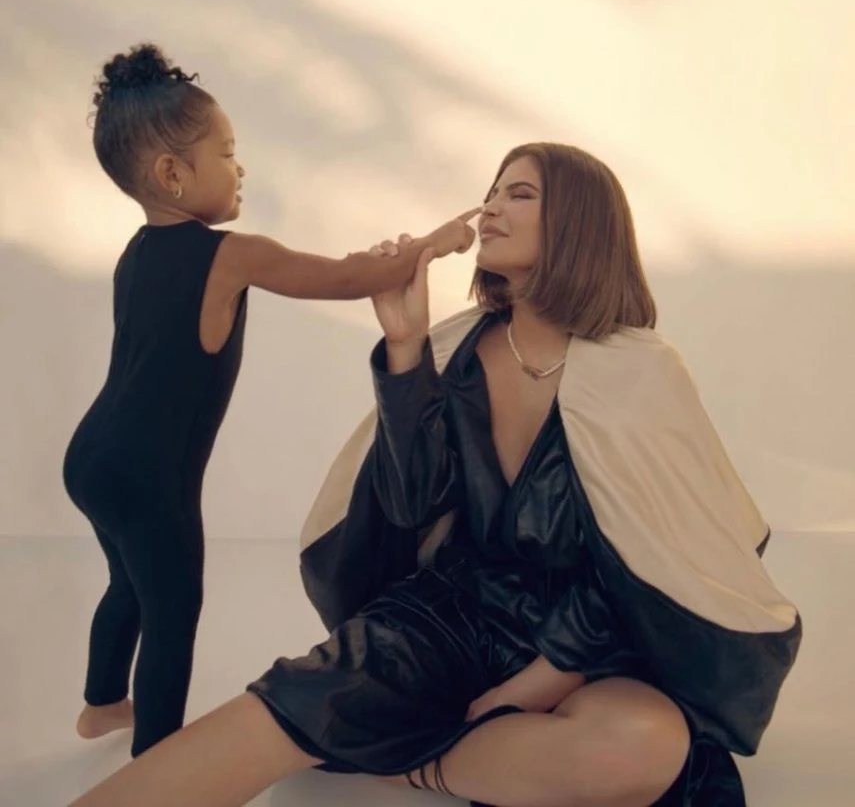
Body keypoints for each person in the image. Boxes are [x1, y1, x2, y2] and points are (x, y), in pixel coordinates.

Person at [69, 143, 801, 807]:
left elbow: (654, 561)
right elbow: (411, 503)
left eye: (519, 194)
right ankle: (430, 746)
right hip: (448, 614)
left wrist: (533, 683)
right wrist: (405, 347)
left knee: (645, 745)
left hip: (592, 644)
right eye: (491, 192)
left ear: (581, 222)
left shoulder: (640, 369)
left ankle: (407, 760)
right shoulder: (457, 348)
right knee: (277, 711)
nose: (489, 208)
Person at [62, 43, 476, 759]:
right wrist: (433, 244)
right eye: (227, 153)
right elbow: (346, 279)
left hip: (92, 458)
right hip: (150, 478)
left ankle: (102, 706)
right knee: (172, 608)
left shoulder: (136, 253)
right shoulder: (232, 255)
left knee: (126, 583)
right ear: (173, 174)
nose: (240, 167)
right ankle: (155, 765)